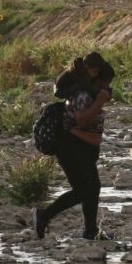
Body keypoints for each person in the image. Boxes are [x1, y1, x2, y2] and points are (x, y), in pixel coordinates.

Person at [33, 52, 115, 240]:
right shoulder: (82, 96)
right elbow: (83, 120)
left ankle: (90, 230)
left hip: (84, 148)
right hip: (72, 147)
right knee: (82, 190)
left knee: (93, 188)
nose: (108, 89)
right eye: (105, 84)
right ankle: (43, 215)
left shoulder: (89, 94)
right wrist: (100, 101)